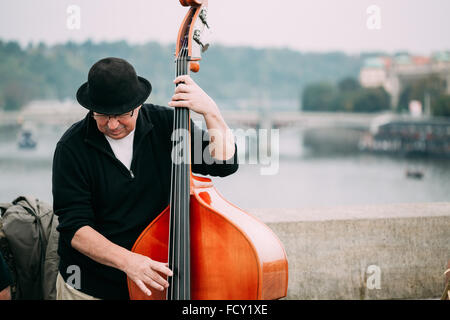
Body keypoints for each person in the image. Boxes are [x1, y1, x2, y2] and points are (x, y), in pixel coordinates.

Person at [52, 57, 239, 300]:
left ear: (138, 105)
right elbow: (75, 229)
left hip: (155, 286)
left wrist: (211, 112)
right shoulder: (71, 148)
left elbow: (223, 163)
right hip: (90, 287)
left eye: (121, 114)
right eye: (102, 115)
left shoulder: (168, 126)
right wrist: (129, 261)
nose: (112, 124)